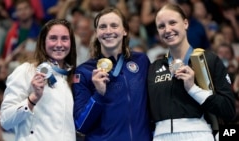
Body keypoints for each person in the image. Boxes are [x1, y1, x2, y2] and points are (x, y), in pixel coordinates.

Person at [147, 3, 236, 141]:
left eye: (172, 23)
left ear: (186, 24)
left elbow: (229, 111)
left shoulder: (208, 60)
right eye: (161, 26)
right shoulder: (154, 67)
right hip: (160, 136)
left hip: (198, 134)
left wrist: (193, 89)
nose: (167, 29)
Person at [72, 7, 152, 141]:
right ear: (97, 33)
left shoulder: (141, 61)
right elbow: (80, 125)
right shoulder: (84, 72)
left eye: (114, 26)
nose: (108, 31)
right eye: (103, 27)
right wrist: (98, 94)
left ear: (124, 30)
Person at [0, 19, 77, 141]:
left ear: (71, 43)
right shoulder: (26, 71)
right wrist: (32, 99)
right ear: (43, 42)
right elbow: (5, 120)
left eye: (64, 39)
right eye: (53, 38)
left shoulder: (73, 77)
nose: (59, 44)